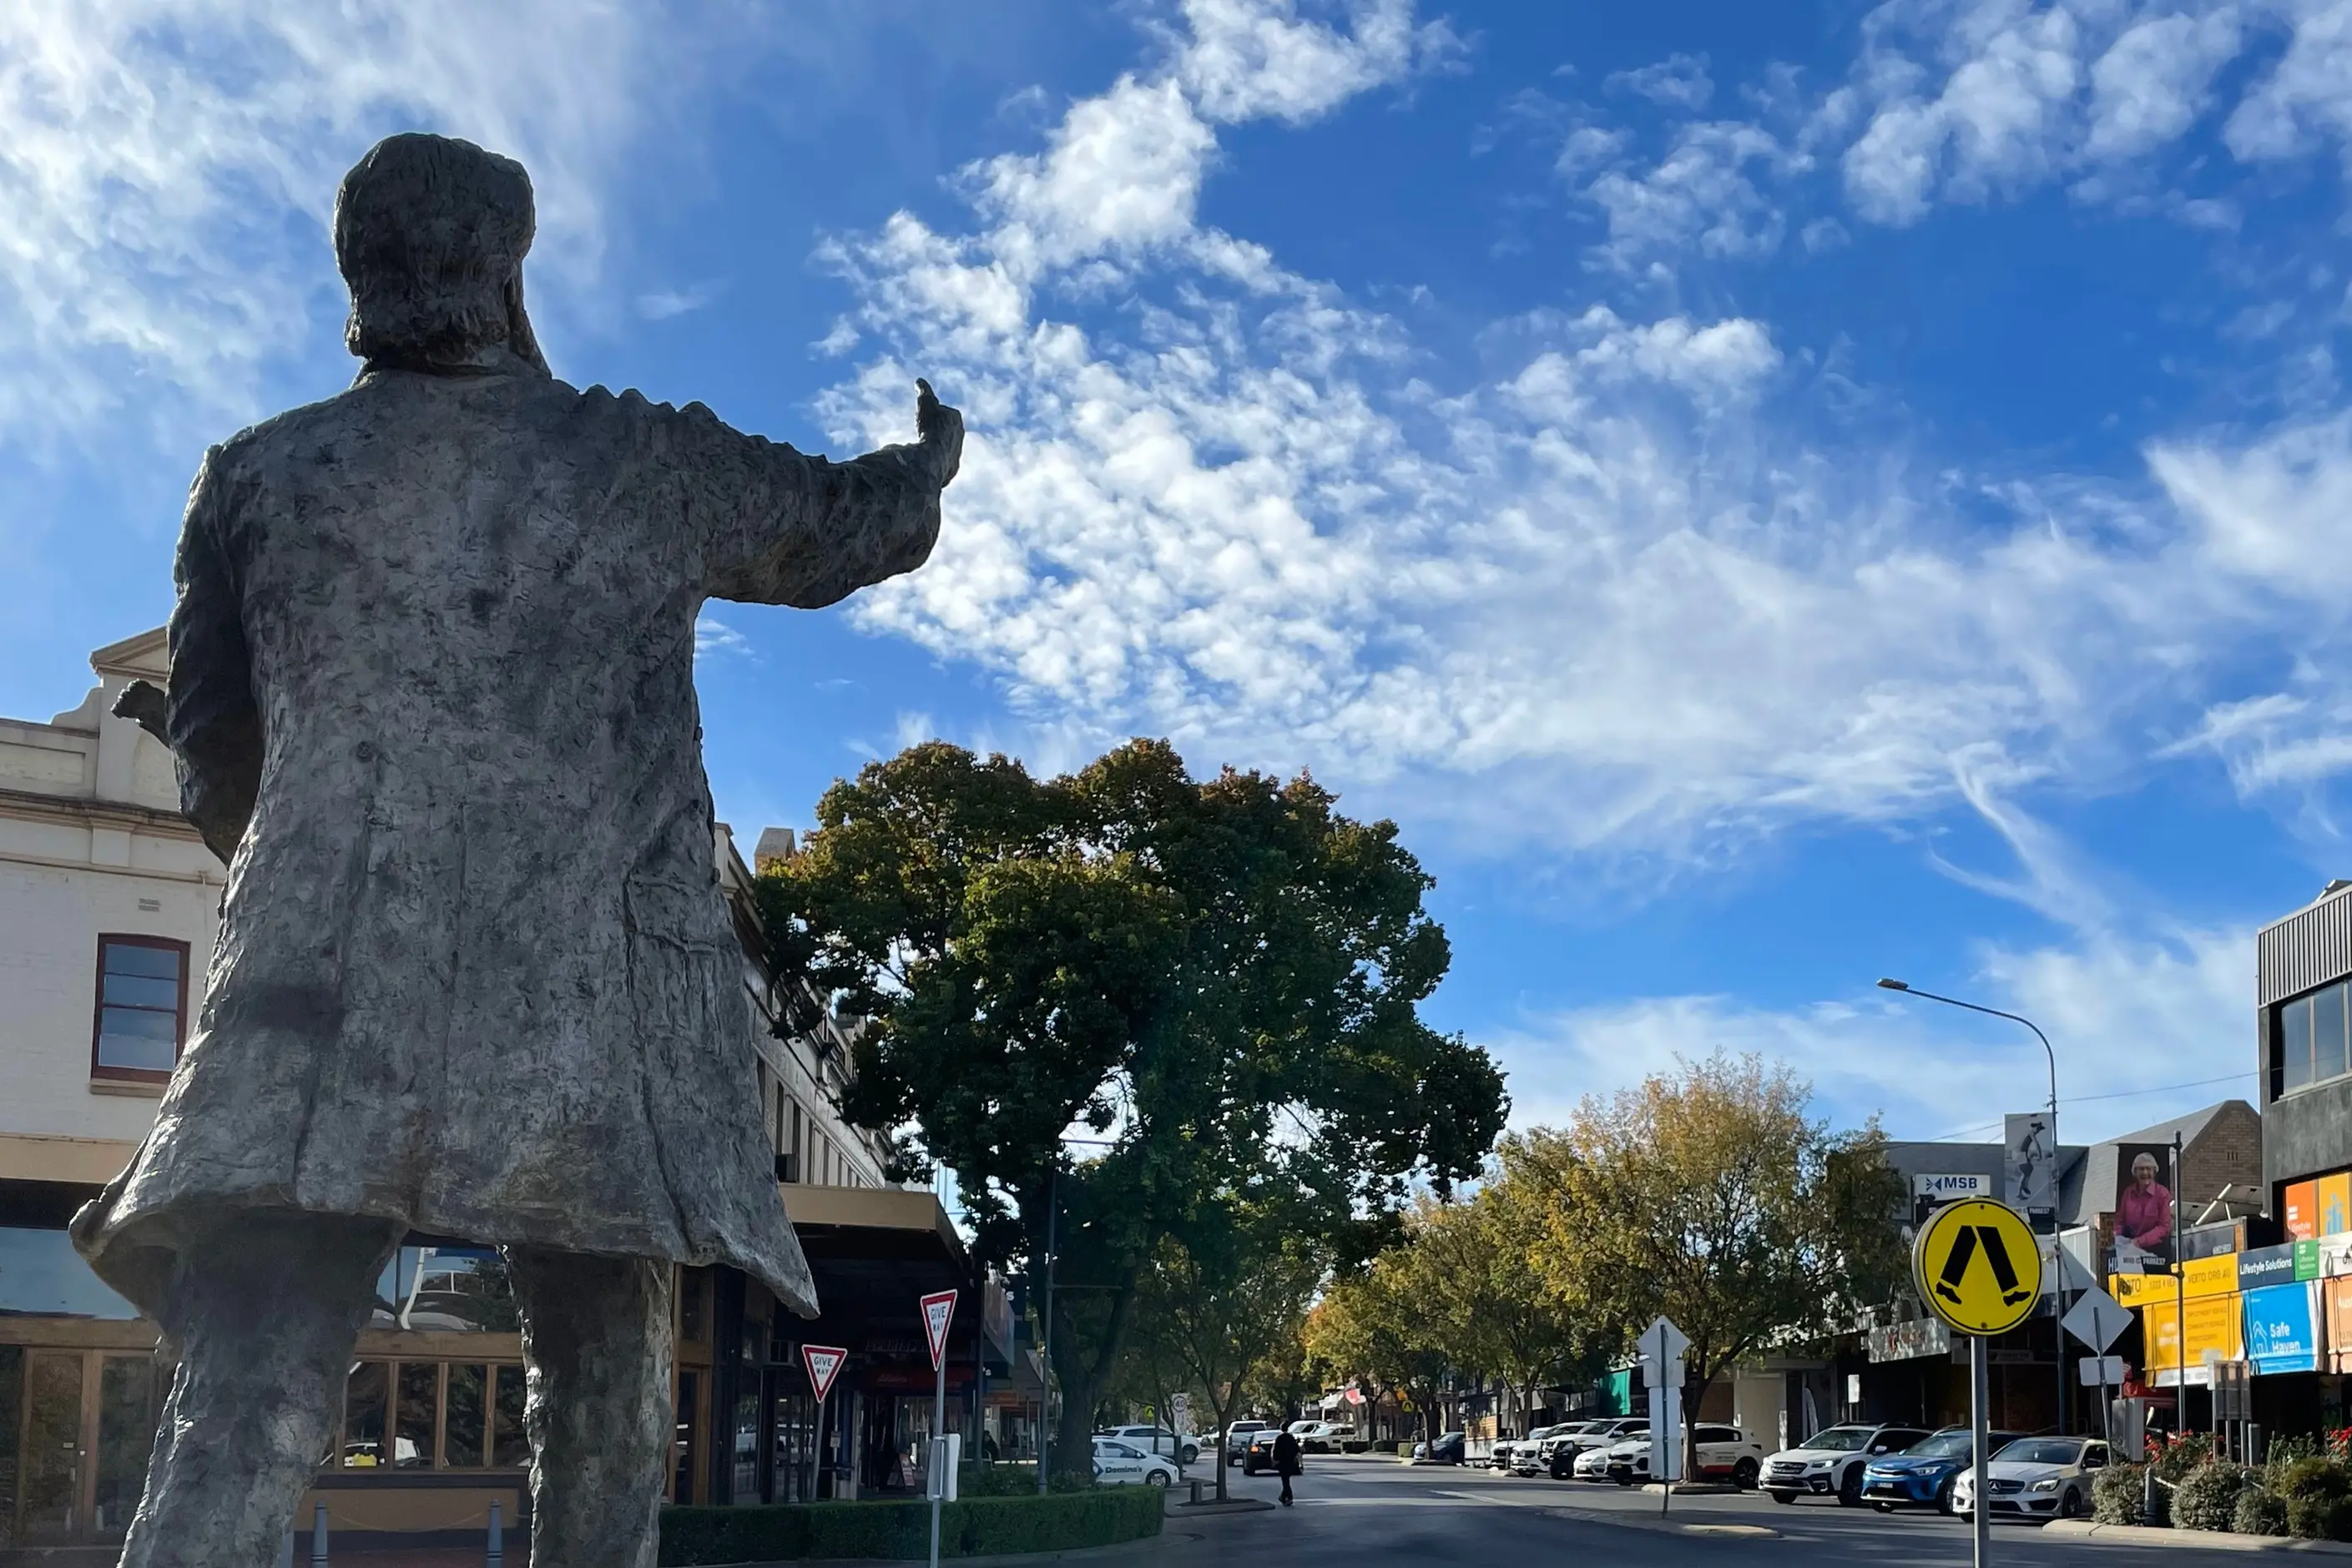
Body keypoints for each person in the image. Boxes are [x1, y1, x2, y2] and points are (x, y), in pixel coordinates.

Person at [71, 132, 961, 1568]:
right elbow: (847, 525)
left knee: (250, 1385)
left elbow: (219, 760)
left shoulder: (254, 474)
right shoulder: (636, 457)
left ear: (356, 274)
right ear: (507, 268)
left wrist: (325, 871)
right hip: (594, 988)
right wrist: (932, 461)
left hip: (320, 990)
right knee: (607, 1374)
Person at [2116, 1152, 2174, 1257]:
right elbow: (2120, 1221)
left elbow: (2164, 1227)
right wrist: (2118, 1238)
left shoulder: (2162, 1193)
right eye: (2141, 1169)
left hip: (2156, 1252)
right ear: (2135, 1172)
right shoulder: (2128, 1192)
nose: (2145, 1172)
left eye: (2149, 1169)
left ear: (2154, 1171)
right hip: (2129, 1249)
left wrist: (2139, 1242)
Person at [1274, 1425, 1302, 1506]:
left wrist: (1275, 1460)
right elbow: (1297, 1450)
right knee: (1286, 1480)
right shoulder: (1291, 1438)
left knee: (1285, 1481)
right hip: (1290, 1462)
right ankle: (1283, 1497)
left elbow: (1276, 1450)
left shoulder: (1279, 1438)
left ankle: (1289, 1497)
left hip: (1282, 1463)